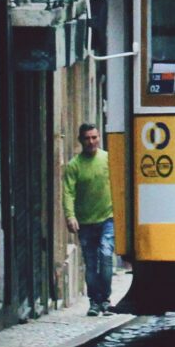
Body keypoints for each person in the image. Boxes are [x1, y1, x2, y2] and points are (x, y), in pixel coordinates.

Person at [62, 123, 115, 315]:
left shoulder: (108, 159)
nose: (91, 141)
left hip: (108, 218)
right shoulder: (74, 165)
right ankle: (95, 301)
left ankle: (106, 300)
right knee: (91, 263)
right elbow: (68, 192)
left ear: (99, 138)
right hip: (85, 221)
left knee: (106, 256)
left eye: (94, 137)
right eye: (87, 138)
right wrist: (70, 216)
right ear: (80, 140)